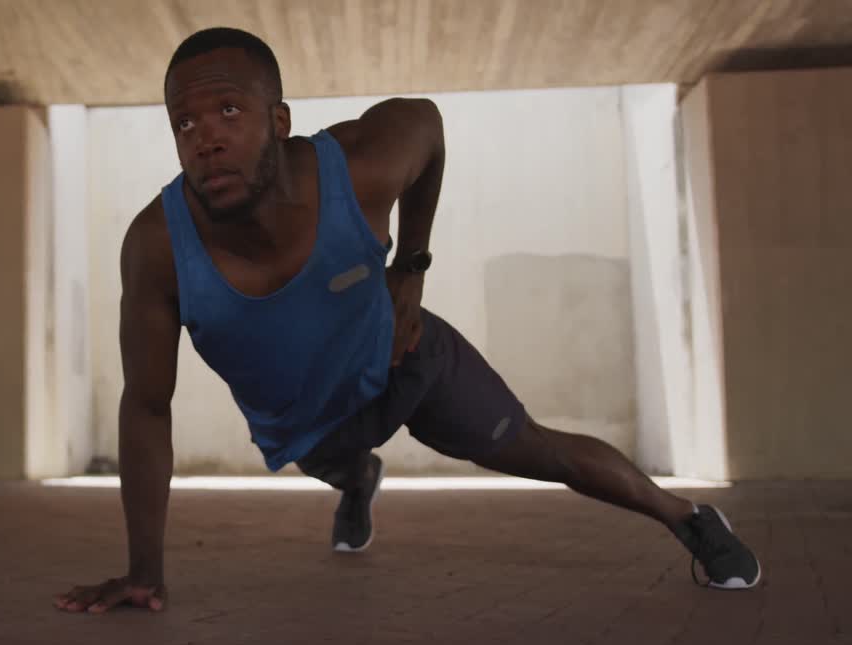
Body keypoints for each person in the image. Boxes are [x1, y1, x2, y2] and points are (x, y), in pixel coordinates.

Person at [55, 27, 761, 614]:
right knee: (345, 469)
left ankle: (690, 520)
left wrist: (411, 270)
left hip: (406, 360)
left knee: (538, 449)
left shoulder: (358, 167)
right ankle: (361, 483)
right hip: (312, 429)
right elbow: (147, 407)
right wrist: (144, 569)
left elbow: (427, 122)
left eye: (228, 112)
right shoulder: (157, 248)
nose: (204, 138)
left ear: (278, 121)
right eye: (185, 122)